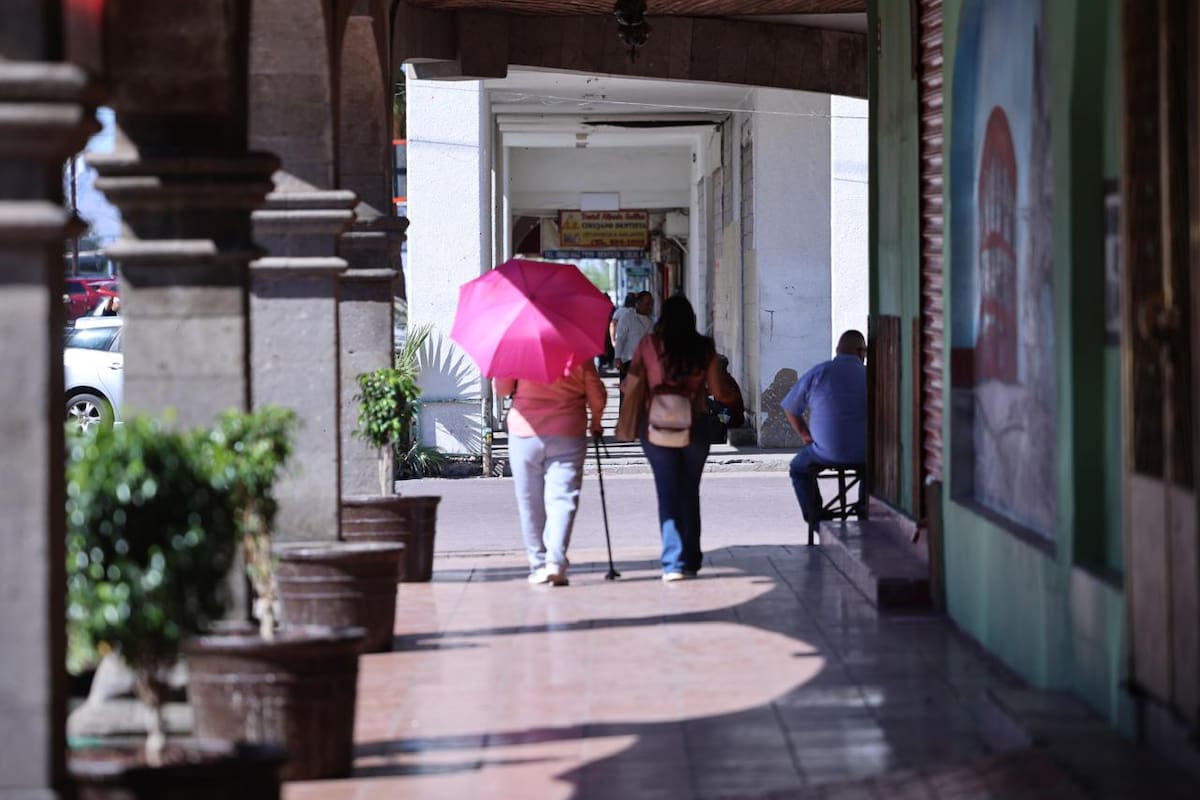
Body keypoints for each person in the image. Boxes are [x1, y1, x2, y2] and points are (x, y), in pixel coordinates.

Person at [626, 295, 739, 582]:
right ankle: (691, 559)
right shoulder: (704, 347)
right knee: (690, 490)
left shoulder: (649, 345)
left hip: (656, 426)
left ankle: (672, 563)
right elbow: (719, 391)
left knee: (668, 491)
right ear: (692, 318)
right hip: (696, 424)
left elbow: (632, 384)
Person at [495, 360, 606, 587]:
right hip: (568, 430)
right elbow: (597, 394)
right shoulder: (578, 351)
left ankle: (538, 564)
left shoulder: (519, 350)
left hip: (524, 432)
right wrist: (596, 421)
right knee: (563, 498)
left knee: (529, 502)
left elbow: (502, 389)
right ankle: (555, 562)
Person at [780, 329, 868, 525]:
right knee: (873, 471)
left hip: (824, 452)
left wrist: (806, 436)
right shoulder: (871, 375)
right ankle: (864, 510)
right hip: (865, 453)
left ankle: (816, 518)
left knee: (798, 469)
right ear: (861, 351)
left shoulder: (819, 372)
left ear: (838, 350)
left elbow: (790, 407)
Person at [614, 291, 654, 384]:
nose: (649, 307)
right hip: (629, 362)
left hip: (645, 363)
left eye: (651, 304)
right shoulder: (627, 317)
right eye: (647, 304)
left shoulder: (651, 321)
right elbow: (620, 337)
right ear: (638, 303)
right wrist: (617, 357)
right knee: (627, 393)